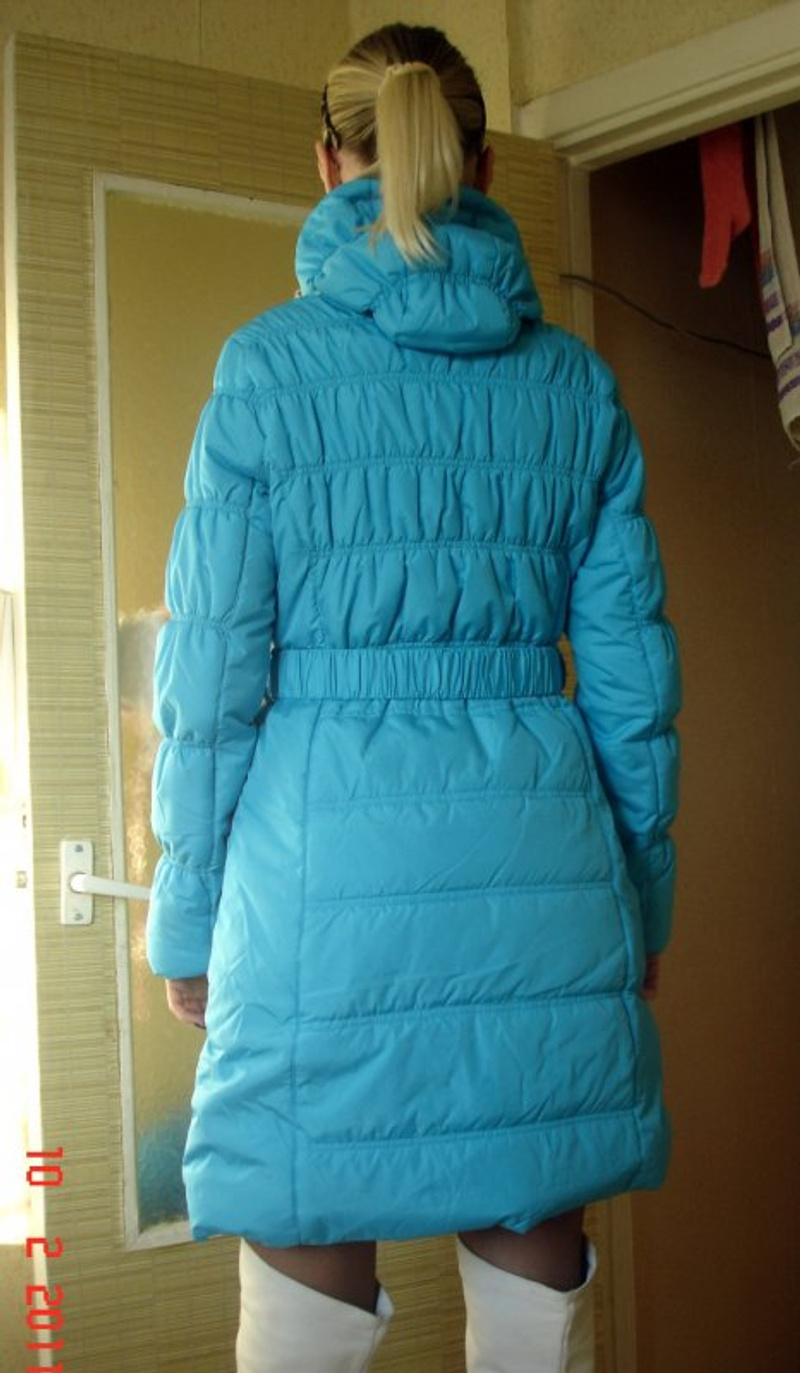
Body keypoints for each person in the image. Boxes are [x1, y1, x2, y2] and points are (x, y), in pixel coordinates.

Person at [146, 21, 680, 1373]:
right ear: (482, 163)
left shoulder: (265, 369)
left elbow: (208, 683)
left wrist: (185, 921)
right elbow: (634, 693)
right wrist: (642, 904)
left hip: (316, 889)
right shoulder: (576, 388)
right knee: (533, 1328)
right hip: (542, 882)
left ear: (329, 160)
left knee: (301, 1309)